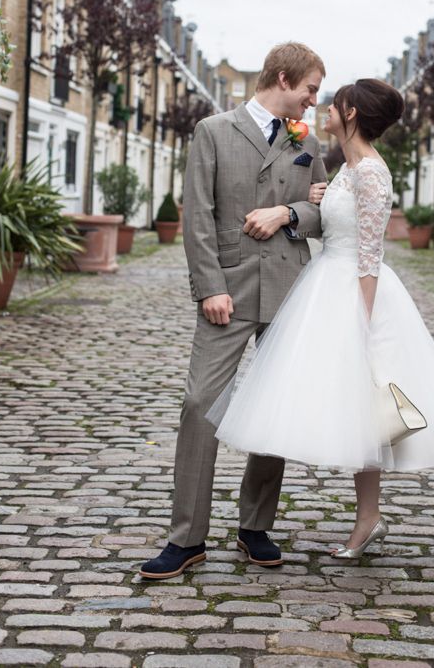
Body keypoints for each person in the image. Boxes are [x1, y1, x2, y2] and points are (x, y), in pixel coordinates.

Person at [211, 78, 434, 559]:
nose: (324, 107)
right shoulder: (346, 169)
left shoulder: (370, 172)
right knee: (361, 415)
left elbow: (370, 254)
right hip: (327, 280)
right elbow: (332, 223)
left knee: (377, 395)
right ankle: (369, 521)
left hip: (355, 291)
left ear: (352, 113)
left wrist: (361, 323)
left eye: (335, 102)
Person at [140, 41, 327, 578]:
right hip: (229, 290)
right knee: (200, 404)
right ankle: (187, 538)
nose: (315, 100)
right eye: (311, 88)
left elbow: (323, 212)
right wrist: (209, 288)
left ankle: (255, 527)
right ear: (285, 78)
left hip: (289, 289)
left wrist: (288, 212)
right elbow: (198, 215)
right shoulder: (214, 131)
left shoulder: (308, 140)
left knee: (275, 408)